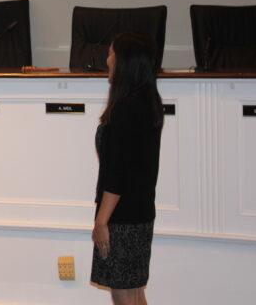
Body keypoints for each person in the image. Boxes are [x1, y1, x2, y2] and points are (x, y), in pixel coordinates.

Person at [91, 32, 163, 305]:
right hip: (141, 214)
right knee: (135, 293)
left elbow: (117, 174)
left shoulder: (125, 108)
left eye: (111, 54)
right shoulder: (146, 102)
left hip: (121, 219)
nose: (107, 59)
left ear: (123, 62)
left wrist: (101, 222)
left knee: (125, 297)